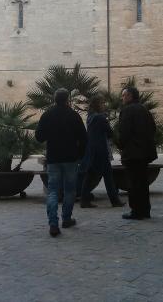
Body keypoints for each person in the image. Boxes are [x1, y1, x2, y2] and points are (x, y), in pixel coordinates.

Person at [36, 88, 87, 237]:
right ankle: (66, 218)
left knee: (52, 190)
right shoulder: (74, 115)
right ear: (67, 100)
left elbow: (39, 137)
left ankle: (53, 223)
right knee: (70, 190)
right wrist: (80, 155)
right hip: (71, 158)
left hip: (53, 158)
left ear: (54, 99)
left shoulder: (47, 115)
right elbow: (84, 138)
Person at [117, 86, 157, 220]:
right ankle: (145, 210)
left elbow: (124, 132)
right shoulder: (144, 109)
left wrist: (121, 145)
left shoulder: (127, 110)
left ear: (130, 96)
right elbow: (153, 128)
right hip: (144, 152)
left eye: (123, 95)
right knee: (143, 183)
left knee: (133, 183)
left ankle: (136, 211)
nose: (122, 98)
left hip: (133, 153)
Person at [80, 95, 124, 209]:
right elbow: (110, 133)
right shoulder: (100, 118)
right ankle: (115, 201)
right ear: (97, 105)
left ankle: (84, 200)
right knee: (108, 176)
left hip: (92, 150)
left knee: (90, 176)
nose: (104, 105)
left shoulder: (90, 117)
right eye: (102, 103)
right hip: (101, 150)